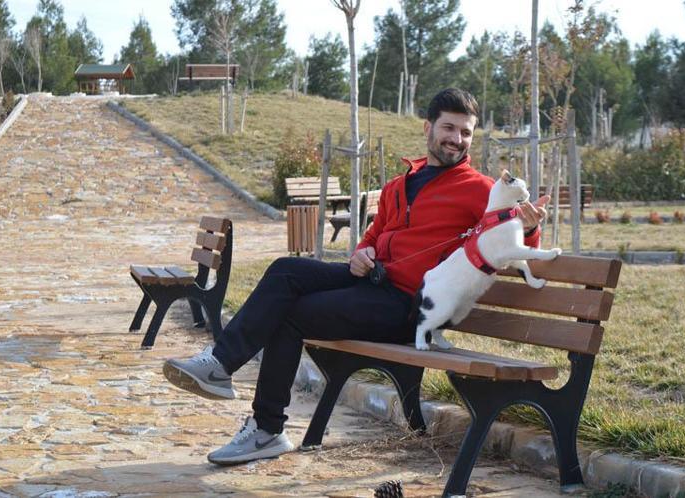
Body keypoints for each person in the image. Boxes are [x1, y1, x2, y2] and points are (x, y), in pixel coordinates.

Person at [163, 88, 550, 465]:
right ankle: (220, 366)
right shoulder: (398, 185)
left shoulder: (480, 190)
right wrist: (362, 253)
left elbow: (509, 238)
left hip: (411, 307)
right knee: (285, 270)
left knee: (291, 314)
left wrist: (530, 228)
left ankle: (264, 426)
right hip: (373, 283)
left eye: (466, 132)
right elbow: (372, 236)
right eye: (449, 128)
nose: (457, 139)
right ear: (428, 127)